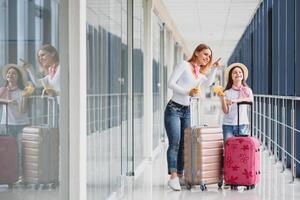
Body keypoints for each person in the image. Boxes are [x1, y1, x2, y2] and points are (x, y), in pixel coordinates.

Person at [164, 43, 221, 191]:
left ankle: (181, 175)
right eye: (205, 54)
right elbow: (170, 83)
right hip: (173, 109)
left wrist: (214, 68)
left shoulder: (198, 73)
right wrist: (186, 92)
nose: (207, 58)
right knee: (175, 143)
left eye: (209, 56)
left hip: (186, 110)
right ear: (196, 52)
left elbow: (208, 83)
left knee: (185, 144)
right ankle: (173, 177)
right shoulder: (184, 65)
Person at [0, 63, 30, 181]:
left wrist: (25, 98)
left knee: (22, 151)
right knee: (8, 152)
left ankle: (21, 175)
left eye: (13, 73)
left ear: (18, 77)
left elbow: (23, 110)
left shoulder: (23, 92)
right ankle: (10, 175)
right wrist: (8, 101)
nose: (10, 74)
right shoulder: (2, 90)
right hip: (6, 124)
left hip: (22, 124)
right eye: (9, 73)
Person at [218, 63, 253, 141]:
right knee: (228, 149)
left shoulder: (247, 90)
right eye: (235, 72)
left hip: (242, 124)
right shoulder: (226, 92)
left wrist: (235, 101)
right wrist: (222, 99)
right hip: (228, 125)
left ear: (243, 75)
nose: (238, 74)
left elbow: (250, 100)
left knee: (242, 150)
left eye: (240, 72)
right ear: (231, 76)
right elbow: (225, 111)